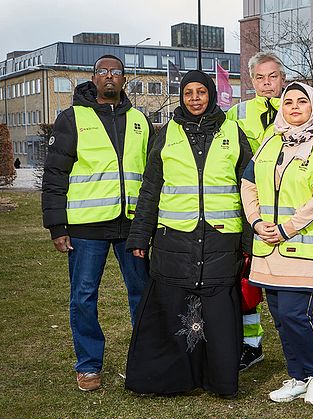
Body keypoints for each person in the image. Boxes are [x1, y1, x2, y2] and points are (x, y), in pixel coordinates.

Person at [124, 70, 251, 398]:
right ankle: (171, 379)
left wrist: (250, 240)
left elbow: (249, 189)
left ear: (211, 94)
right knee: (171, 309)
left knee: (219, 314)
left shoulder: (233, 132)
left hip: (222, 240)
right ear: (181, 96)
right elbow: (151, 187)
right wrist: (140, 235)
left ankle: (219, 380)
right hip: (175, 240)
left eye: (201, 92)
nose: (195, 98)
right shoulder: (167, 133)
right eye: (188, 93)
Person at [41, 54, 152, 392]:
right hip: (86, 227)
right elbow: (55, 175)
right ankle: (88, 366)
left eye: (115, 72)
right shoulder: (72, 118)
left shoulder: (139, 120)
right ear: (93, 78)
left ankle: (146, 360)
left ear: (124, 79)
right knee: (84, 296)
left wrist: (149, 224)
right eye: (103, 72)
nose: (109, 77)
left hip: (131, 226)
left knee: (142, 295)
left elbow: (151, 175)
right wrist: (57, 226)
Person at [242, 81, 313, 405]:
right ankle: (298, 376)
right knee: (281, 317)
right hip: (269, 246)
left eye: (302, 101)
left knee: (296, 313)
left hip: (306, 245)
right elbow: (248, 184)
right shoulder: (270, 142)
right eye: (288, 102)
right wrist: (257, 222)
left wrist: (287, 227)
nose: (294, 106)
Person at [226, 51, 286, 371]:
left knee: (284, 284)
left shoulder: (297, 107)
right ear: (251, 81)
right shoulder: (236, 113)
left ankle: (293, 345)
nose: (266, 83)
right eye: (260, 78)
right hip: (248, 210)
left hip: (288, 210)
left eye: (272, 76)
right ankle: (252, 344)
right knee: (246, 281)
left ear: (282, 78)